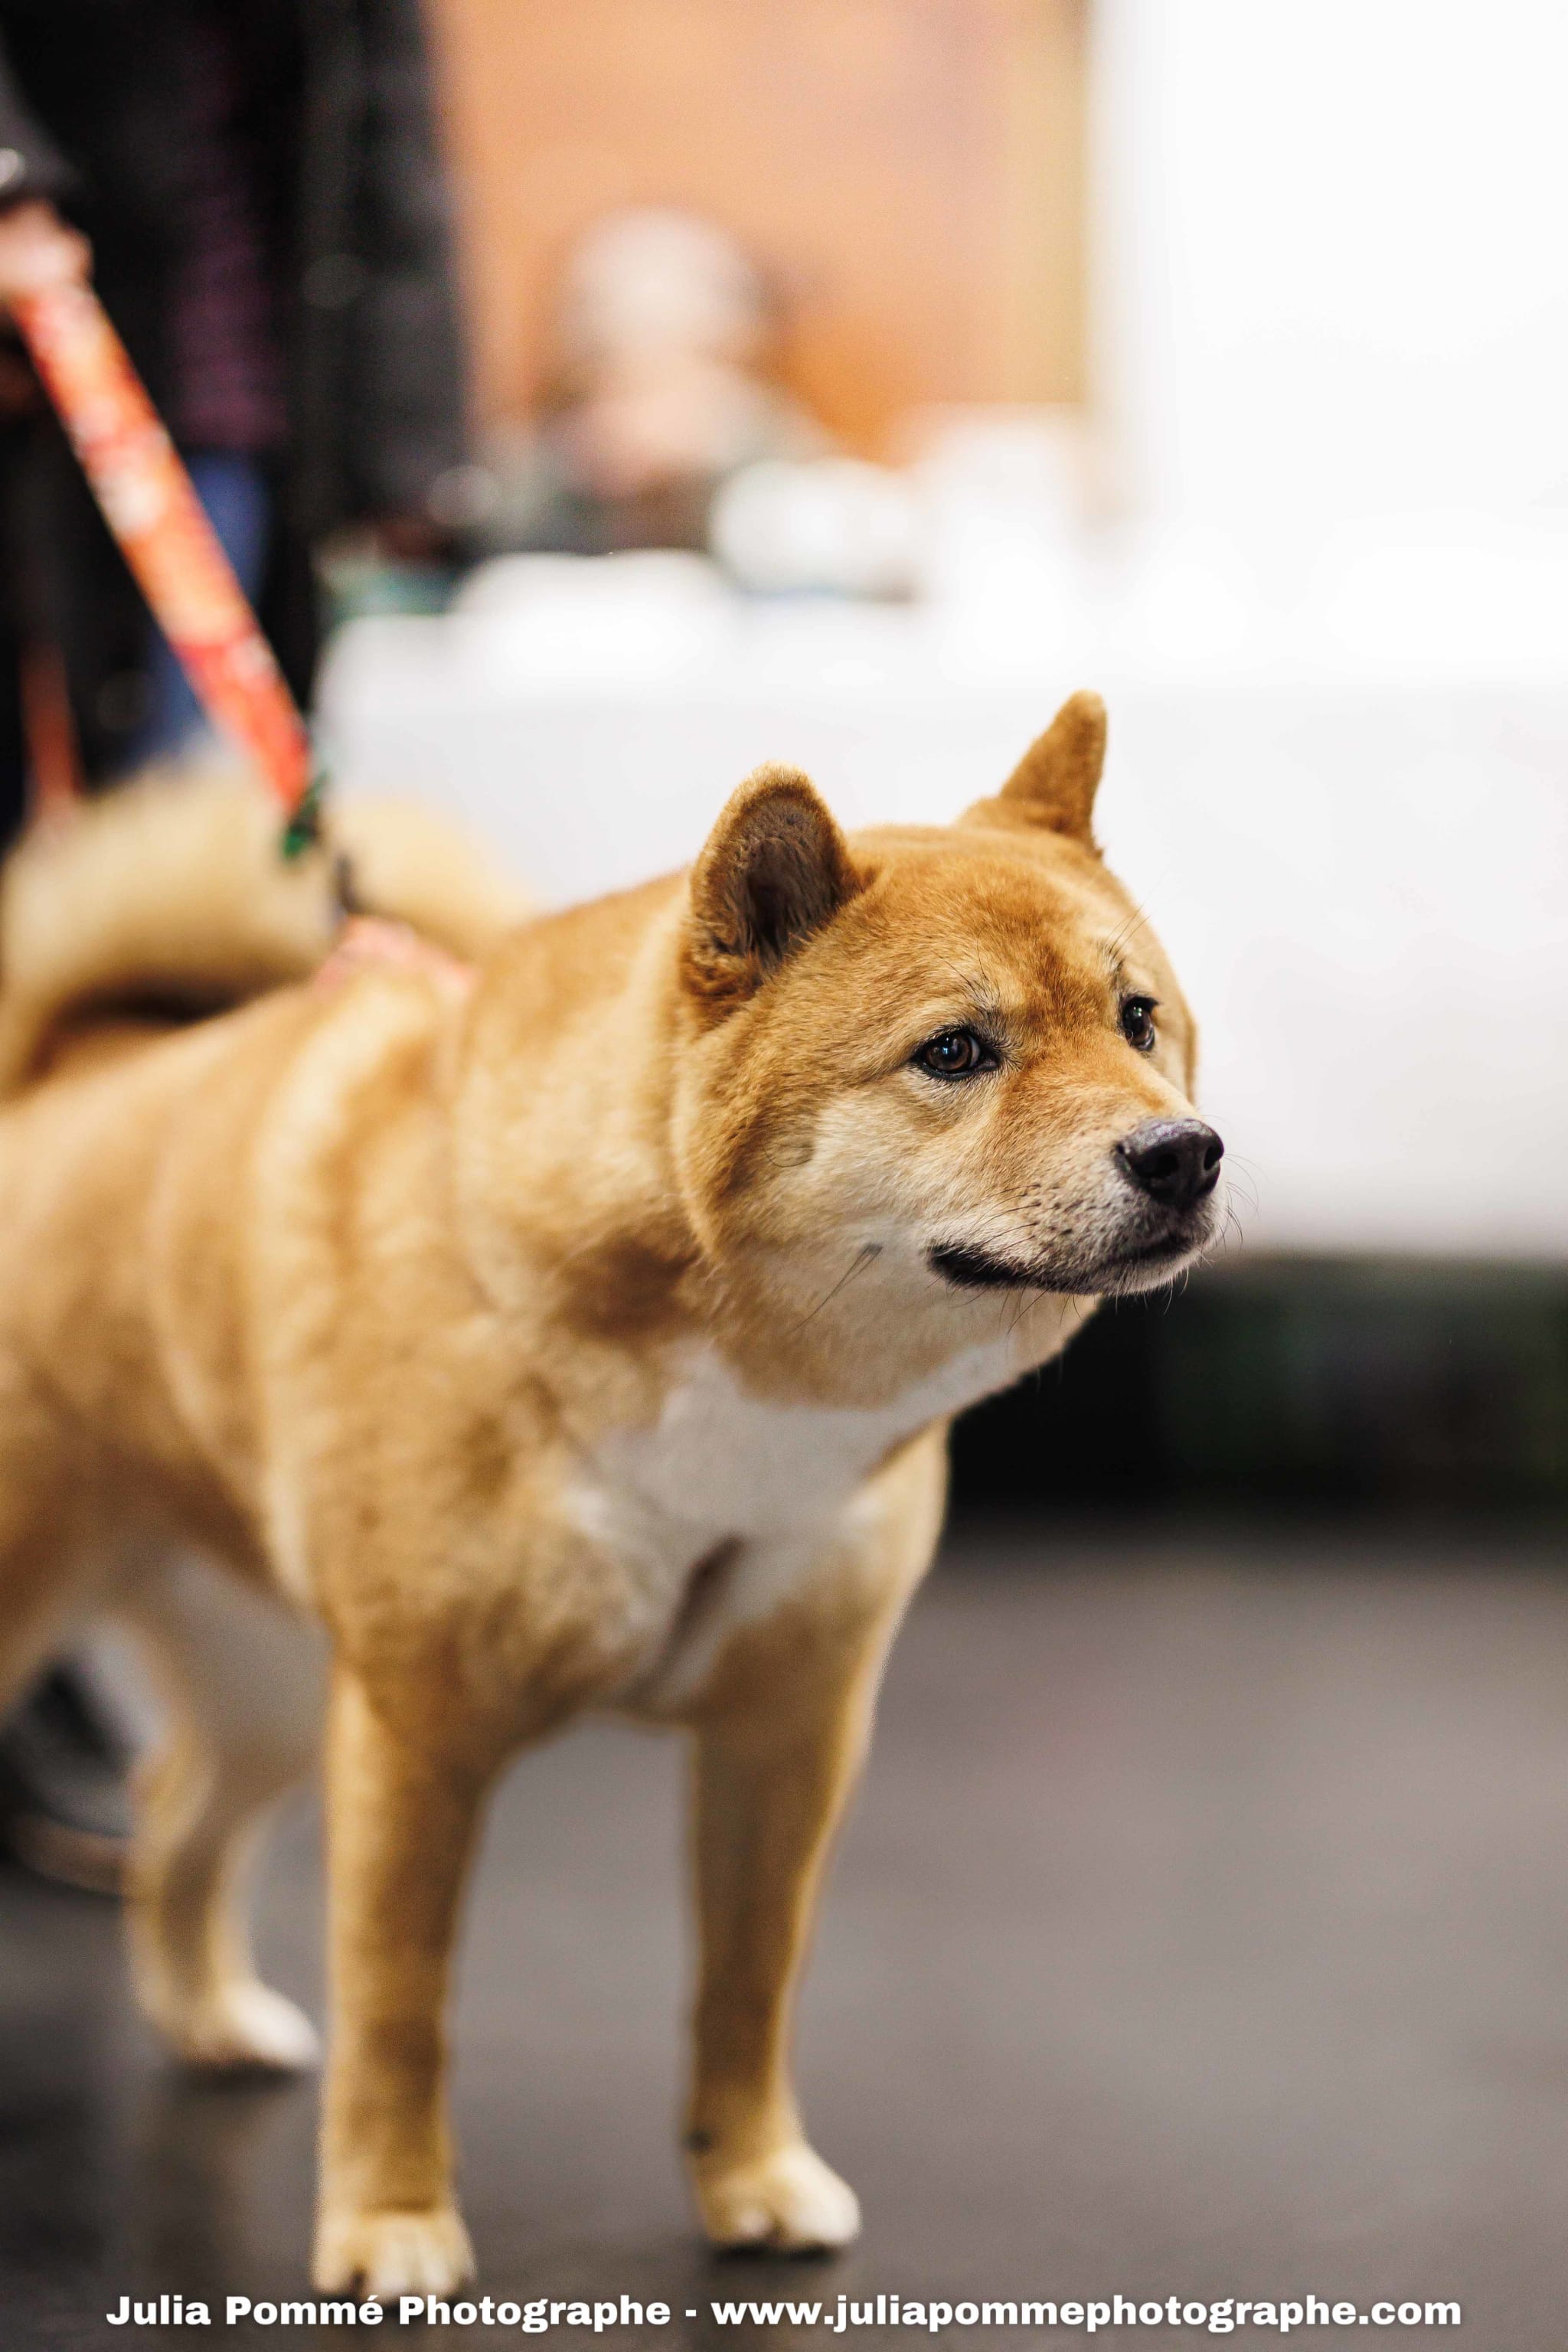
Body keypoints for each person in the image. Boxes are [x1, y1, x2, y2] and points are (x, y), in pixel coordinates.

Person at [0, 0, 469, 1885]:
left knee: (162, 1002)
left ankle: (65, 1610)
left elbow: (378, 114)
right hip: (53, 355)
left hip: (230, 416)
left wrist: (411, 421)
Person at [0, 0, 468, 838]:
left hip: (245, 405)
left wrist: (410, 449)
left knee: (200, 787)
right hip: (58, 353)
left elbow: (385, 144)